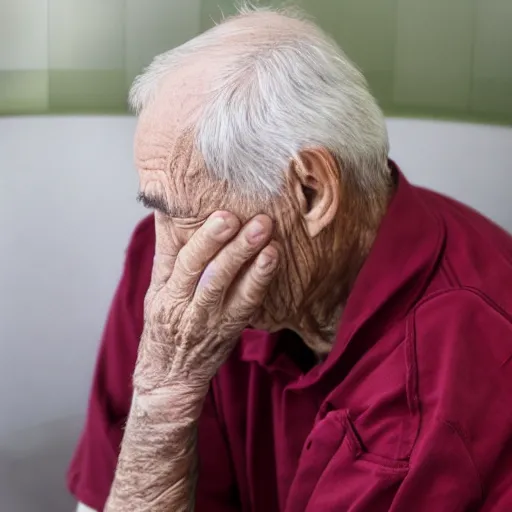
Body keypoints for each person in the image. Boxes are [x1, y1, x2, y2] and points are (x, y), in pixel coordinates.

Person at [68, 6, 512, 512]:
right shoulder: (171, 271)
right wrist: (163, 396)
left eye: (182, 211)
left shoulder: (459, 371)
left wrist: (165, 390)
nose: (165, 250)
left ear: (311, 192)